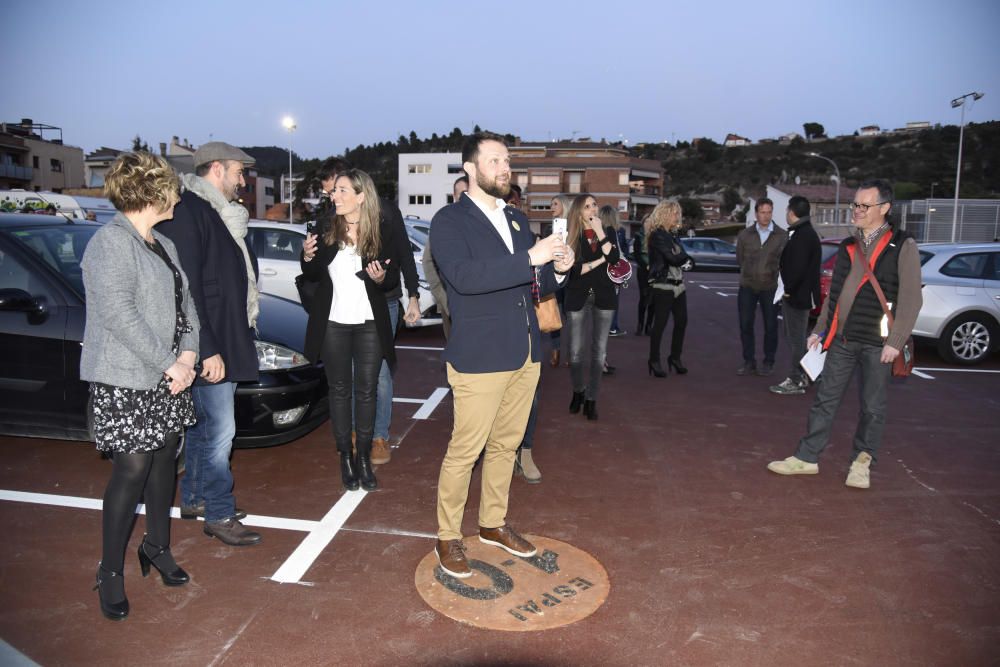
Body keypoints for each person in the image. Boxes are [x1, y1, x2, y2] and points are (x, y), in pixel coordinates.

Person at [430, 132, 573, 578]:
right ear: (470, 169)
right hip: (480, 354)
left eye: (507, 160)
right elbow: (465, 277)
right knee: (465, 449)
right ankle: (448, 537)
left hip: (526, 349)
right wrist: (533, 256)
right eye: (494, 160)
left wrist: (559, 271)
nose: (504, 167)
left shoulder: (515, 218)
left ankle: (492, 524)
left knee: (506, 445)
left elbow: (535, 284)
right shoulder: (449, 221)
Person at [82, 152, 199, 620]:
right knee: (132, 472)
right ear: (153, 193)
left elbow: (185, 305)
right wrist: (171, 363)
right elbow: (120, 316)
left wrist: (188, 354)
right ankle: (110, 572)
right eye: (172, 188)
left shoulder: (163, 244)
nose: (178, 197)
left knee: (165, 462)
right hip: (128, 378)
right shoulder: (110, 244)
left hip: (170, 375)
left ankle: (156, 546)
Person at [767, 180, 922, 489]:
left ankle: (862, 462)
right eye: (855, 205)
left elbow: (911, 299)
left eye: (864, 205)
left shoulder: (903, 245)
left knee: (872, 407)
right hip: (843, 339)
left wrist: (895, 341)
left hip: (878, 344)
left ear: (884, 209)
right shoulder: (849, 246)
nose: (857, 210)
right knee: (825, 399)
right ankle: (807, 457)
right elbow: (835, 296)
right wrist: (821, 330)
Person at [157, 142, 261, 547]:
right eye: (239, 172)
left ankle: (197, 497)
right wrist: (208, 348)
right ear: (216, 169)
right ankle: (219, 512)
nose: (243, 180)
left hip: (223, 336)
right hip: (209, 341)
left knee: (202, 428)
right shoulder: (189, 210)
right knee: (221, 431)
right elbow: (189, 288)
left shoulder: (217, 212)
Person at [315, 157, 419, 466]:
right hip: (346, 308)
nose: (332, 197)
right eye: (329, 193)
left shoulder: (386, 212)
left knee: (380, 373)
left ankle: (378, 436)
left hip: (383, 300)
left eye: (335, 189)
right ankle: (351, 434)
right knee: (346, 372)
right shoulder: (336, 218)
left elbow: (405, 254)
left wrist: (413, 295)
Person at [301, 169, 399, 491]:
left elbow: (392, 276)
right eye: (334, 191)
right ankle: (345, 456)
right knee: (340, 391)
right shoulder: (327, 227)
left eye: (343, 190)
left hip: (370, 322)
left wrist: (381, 279)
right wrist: (306, 255)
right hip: (333, 323)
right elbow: (313, 273)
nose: (335, 196)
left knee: (367, 390)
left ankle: (364, 460)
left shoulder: (380, 229)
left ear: (360, 195)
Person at [564, 195, 619, 420]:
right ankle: (578, 390)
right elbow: (575, 270)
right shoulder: (571, 236)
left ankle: (591, 399)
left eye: (594, 205)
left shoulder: (608, 232)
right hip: (577, 296)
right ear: (578, 212)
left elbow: (614, 258)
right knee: (576, 353)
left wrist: (601, 233)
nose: (592, 209)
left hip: (604, 297)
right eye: (587, 206)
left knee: (599, 354)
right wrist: (600, 260)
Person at [770, 195, 822, 395]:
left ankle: (797, 378)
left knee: (797, 338)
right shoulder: (804, 233)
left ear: (792, 213)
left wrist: (788, 291)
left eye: (786, 211)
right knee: (796, 337)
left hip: (798, 296)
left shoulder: (803, 235)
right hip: (798, 294)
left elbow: (797, 268)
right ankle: (805, 375)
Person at [736, 198, 788, 376]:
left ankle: (769, 361)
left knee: (771, 326)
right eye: (763, 212)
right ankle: (749, 361)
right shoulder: (744, 235)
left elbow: (784, 262)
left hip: (770, 287)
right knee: (745, 324)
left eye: (769, 212)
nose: (766, 216)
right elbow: (740, 259)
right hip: (748, 286)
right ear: (756, 213)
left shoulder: (782, 236)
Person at [646, 200, 692, 378]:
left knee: (682, 322)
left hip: (679, 285)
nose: (677, 216)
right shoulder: (657, 235)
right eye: (674, 213)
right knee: (660, 324)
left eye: (677, 213)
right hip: (662, 284)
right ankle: (654, 359)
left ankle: (675, 357)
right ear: (665, 214)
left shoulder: (672, 235)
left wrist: (680, 255)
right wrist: (681, 256)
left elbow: (681, 256)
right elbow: (674, 259)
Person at [422, 175, 467, 340]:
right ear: (454, 196)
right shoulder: (443, 221)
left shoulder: (481, 222)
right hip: (450, 304)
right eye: (462, 193)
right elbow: (428, 261)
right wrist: (444, 299)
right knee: (455, 354)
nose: (466, 197)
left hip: (478, 306)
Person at [548, 194, 574, 367]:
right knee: (554, 316)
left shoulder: (573, 228)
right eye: (551, 205)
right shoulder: (547, 230)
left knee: (571, 318)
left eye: (555, 204)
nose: (551, 208)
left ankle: (572, 353)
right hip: (554, 278)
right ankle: (555, 350)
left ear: (564, 206)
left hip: (572, 279)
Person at [607, 212, 628, 337]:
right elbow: (619, 251)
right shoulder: (613, 231)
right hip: (614, 271)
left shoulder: (618, 231)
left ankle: (611, 326)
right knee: (613, 300)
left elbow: (623, 247)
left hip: (611, 270)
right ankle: (612, 327)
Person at [632, 215, 653, 335]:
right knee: (644, 298)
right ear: (643, 223)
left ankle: (649, 325)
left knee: (653, 299)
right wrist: (646, 265)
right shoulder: (638, 236)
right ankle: (640, 325)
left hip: (655, 271)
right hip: (643, 271)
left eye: (651, 222)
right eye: (646, 221)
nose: (648, 224)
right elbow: (637, 254)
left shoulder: (655, 236)